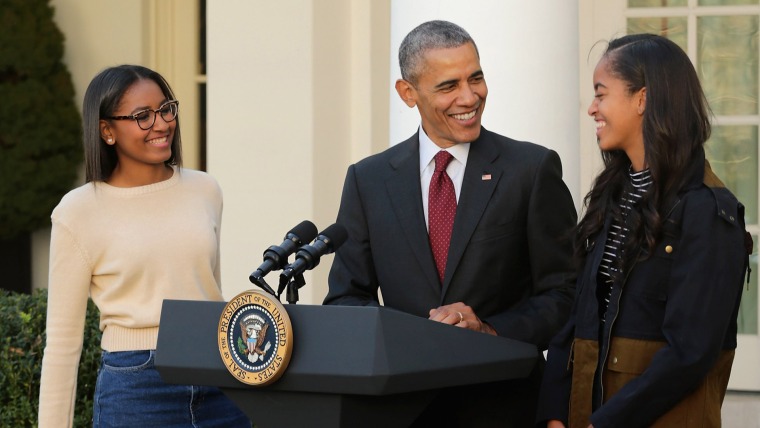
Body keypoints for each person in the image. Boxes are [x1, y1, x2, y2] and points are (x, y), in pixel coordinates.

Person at [323, 20, 578, 427]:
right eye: (448, 85)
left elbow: (565, 295)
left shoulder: (531, 170)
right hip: (403, 411)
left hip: (505, 408)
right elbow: (345, 301)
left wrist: (491, 330)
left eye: (475, 77)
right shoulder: (368, 180)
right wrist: (409, 339)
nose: (470, 96)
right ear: (408, 93)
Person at [537, 34, 751, 428]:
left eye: (601, 94)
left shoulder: (708, 211)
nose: (592, 108)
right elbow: (577, 319)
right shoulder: (612, 197)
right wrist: (553, 414)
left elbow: (690, 352)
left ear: (643, 99)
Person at [37, 65, 250, 427]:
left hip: (218, 374)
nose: (162, 123)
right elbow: (62, 342)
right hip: (136, 387)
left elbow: (207, 291)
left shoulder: (204, 189)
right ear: (106, 130)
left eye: (166, 109)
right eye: (142, 116)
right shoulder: (78, 211)